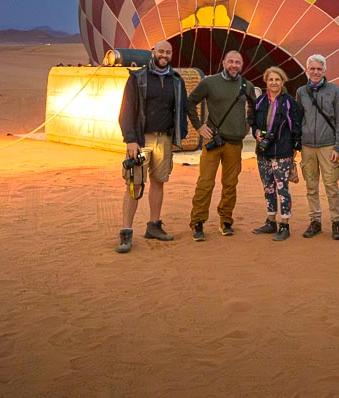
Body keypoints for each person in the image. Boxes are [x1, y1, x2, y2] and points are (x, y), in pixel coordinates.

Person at [116, 40, 189, 254]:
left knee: (159, 182)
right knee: (134, 183)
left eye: (168, 52)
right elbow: (126, 111)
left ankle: (154, 225)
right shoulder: (137, 78)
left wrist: (180, 135)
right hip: (141, 140)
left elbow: (182, 108)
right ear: (153, 52)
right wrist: (130, 139)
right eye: (161, 51)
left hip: (164, 140)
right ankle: (126, 231)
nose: (164, 55)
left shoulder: (176, 80)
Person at [186, 49, 256, 241]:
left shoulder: (246, 85)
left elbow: (254, 106)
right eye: (231, 61)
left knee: (230, 184)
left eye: (238, 63)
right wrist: (199, 127)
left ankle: (226, 220)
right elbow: (190, 102)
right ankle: (198, 222)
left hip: (235, 143)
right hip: (213, 141)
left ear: (242, 65)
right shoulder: (209, 82)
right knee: (205, 183)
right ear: (223, 62)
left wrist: (247, 125)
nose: (234, 65)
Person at [295, 53, 339, 240]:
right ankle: (315, 220)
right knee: (311, 186)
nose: (315, 72)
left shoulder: (334, 90)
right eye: (312, 69)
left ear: (325, 70)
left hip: (328, 145)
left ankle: (336, 222)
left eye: (319, 69)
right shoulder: (301, 92)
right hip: (307, 146)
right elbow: (299, 118)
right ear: (307, 70)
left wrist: (338, 147)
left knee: (331, 186)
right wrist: (298, 144)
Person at [251, 66, 302, 242]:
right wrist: (256, 132)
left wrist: (293, 150)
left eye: (277, 80)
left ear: (283, 82)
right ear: (266, 81)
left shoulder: (289, 102)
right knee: (268, 188)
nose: (274, 83)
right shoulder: (260, 101)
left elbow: (296, 126)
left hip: (282, 153)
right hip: (263, 152)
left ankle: (285, 225)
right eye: (271, 79)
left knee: (282, 189)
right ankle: (270, 221)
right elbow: (253, 122)